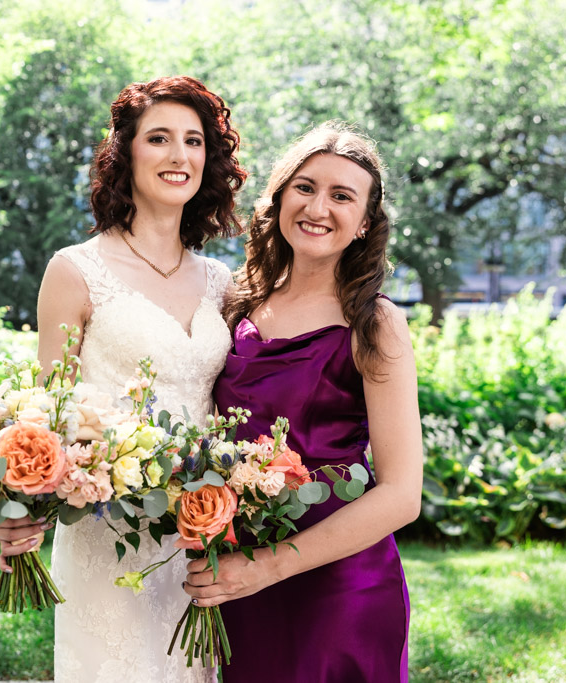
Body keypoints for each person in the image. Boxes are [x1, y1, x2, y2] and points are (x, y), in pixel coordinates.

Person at [0, 76, 246, 683]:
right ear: (125, 152)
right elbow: (46, 414)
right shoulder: (76, 269)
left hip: (200, 526)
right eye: (159, 138)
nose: (178, 155)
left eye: (194, 141)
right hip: (105, 529)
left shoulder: (222, 281)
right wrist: (15, 507)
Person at [182, 122, 423, 682]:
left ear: (365, 223)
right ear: (280, 197)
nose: (318, 208)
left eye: (342, 196)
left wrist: (267, 568)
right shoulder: (239, 303)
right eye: (305, 187)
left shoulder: (375, 322)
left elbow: (402, 495)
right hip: (238, 572)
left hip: (339, 586)